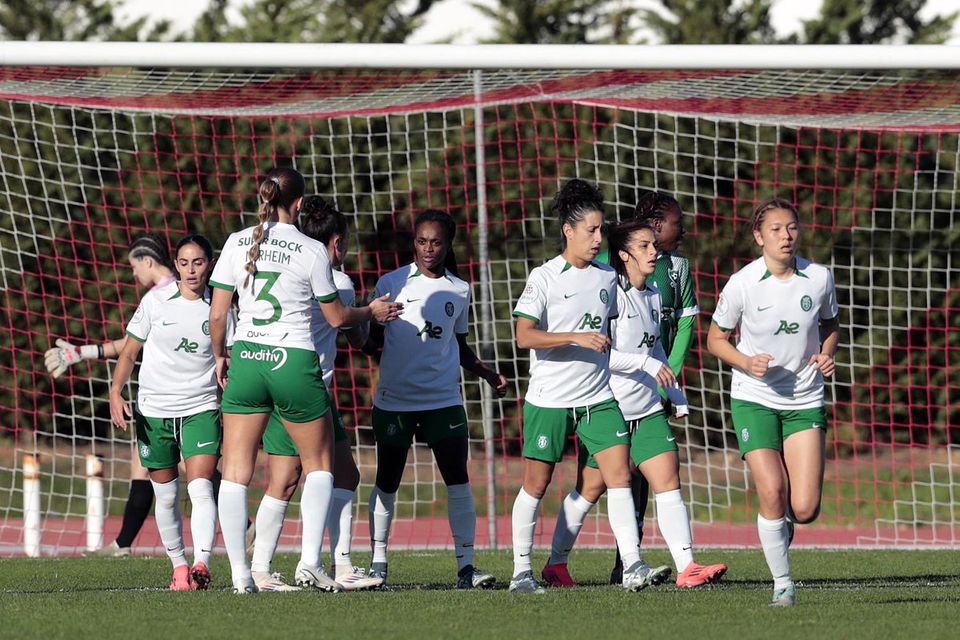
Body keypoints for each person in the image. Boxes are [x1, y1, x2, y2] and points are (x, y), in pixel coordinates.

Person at [208, 167, 400, 594]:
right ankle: (312, 562)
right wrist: (370, 312)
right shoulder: (312, 249)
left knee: (237, 471)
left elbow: (218, 314)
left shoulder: (237, 242)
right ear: (298, 204)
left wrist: (221, 355)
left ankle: (242, 577)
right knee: (320, 467)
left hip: (247, 358)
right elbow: (335, 318)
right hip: (293, 362)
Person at [541, 220, 727, 589]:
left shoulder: (655, 293)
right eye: (643, 247)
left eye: (653, 246)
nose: (653, 252)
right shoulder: (610, 295)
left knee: (668, 480)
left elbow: (654, 348)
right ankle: (556, 564)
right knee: (588, 491)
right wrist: (644, 364)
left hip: (647, 410)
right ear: (624, 255)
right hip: (610, 409)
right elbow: (603, 354)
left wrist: (675, 393)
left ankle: (687, 567)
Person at [508, 179, 648, 594]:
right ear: (568, 231)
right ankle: (521, 571)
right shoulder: (545, 277)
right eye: (590, 230)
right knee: (536, 484)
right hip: (550, 399)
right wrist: (573, 336)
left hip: (598, 396)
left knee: (619, 474)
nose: (597, 238)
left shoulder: (608, 277)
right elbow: (524, 336)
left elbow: (630, 309)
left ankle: (634, 565)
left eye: (601, 230)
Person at [365, 208, 507, 590]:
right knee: (388, 480)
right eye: (422, 241)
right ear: (414, 243)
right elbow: (371, 344)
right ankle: (377, 565)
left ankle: (466, 568)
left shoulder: (459, 290)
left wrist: (489, 373)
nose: (428, 248)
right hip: (394, 401)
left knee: (458, 481)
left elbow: (458, 347)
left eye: (436, 242)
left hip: (443, 401)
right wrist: (363, 323)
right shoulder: (391, 283)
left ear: (448, 244)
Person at [707, 198, 839, 606]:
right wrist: (747, 362)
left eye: (792, 227)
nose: (786, 236)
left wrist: (827, 352)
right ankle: (783, 583)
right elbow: (715, 339)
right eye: (777, 229)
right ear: (759, 236)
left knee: (804, 508)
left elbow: (831, 324)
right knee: (772, 491)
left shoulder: (818, 278)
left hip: (804, 397)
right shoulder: (743, 283)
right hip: (754, 398)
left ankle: (784, 524)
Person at [249, 195, 381, 592]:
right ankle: (284, 566)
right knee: (294, 479)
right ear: (337, 243)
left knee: (319, 475)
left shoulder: (285, 264)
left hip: (274, 376)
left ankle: (332, 565)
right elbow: (355, 334)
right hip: (307, 389)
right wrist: (374, 314)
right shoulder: (338, 279)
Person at [108, 234, 227, 590]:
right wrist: (116, 391)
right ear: (175, 265)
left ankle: (202, 563)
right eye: (184, 263)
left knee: (202, 487)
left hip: (201, 408)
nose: (191, 270)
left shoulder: (221, 307)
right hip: (155, 411)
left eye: (199, 262)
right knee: (167, 495)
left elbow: (228, 357)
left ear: (210, 264)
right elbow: (129, 352)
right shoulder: (155, 301)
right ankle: (179, 566)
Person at [46, 234, 175, 557]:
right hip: (160, 396)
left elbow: (129, 349)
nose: (133, 274)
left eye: (134, 266)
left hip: (173, 396)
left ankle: (241, 531)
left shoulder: (165, 296)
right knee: (143, 466)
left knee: (195, 470)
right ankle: (122, 544)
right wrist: (82, 352)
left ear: (148, 261)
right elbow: (129, 344)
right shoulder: (162, 295)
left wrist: (94, 365)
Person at [606, 189, 702, 584]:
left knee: (654, 472)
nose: (683, 228)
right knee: (599, 482)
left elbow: (684, 324)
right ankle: (559, 559)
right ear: (656, 224)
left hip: (655, 383)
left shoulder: (677, 268)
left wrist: (669, 381)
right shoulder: (612, 272)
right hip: (616, 387)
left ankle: (659, 563)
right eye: (677, 221)